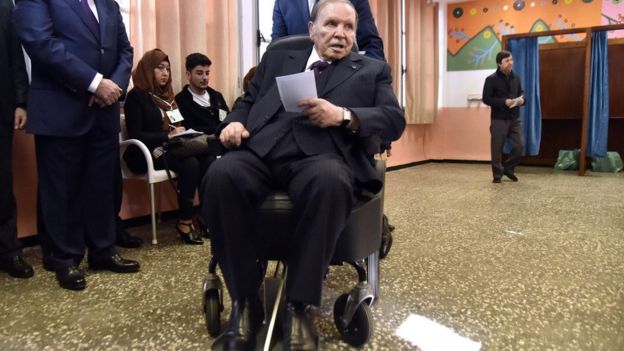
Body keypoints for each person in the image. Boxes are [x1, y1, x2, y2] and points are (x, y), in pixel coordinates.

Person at [202, 1, 405, 349]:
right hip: (262, 151)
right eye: (330, 25)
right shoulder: (278, 58)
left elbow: (393, 119)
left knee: (330, 181)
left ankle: (299, 307)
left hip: (323, 157)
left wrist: (343, 115)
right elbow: (248, 101)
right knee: (221, 174)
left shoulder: (371, 70)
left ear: (356, 34)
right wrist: (233, 121)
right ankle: (245, 304)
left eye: (348, 27)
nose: (340, 34)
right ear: (312, 29)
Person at [13, 0, 140, 291]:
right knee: (61, 188)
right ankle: (64, 258)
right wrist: (94, 83)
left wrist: (113, 86)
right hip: (61, 106)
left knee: (100, 185)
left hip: (103, 110)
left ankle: (103, 250)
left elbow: (125, 50)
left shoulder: (107, 3)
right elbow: (40, 43)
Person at [123, 49, 213, 245]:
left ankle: (206, 217)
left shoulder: (169, 98)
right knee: (190, 164)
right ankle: (185, 221)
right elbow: (136, 133)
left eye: (168, 69)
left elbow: (177, 125)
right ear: (148, 69)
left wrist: (181, 132)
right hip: (143, 152)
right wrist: (167, 135)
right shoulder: (136, 96)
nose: (165, 73)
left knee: (206, 159)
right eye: (159, 68)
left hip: (170, 147)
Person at [0, 0, 33, 279]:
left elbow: (15, 56)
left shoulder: (5, 6)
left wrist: (21, 102)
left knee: (1, 183)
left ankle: (9, 251)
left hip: (1, 108)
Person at [272, 0, 385, 61]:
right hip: (298, 79)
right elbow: (276, 49)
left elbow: (372, 45)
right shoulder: (283, 2)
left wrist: (366, 76)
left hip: (344, 79)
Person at [482, 50, 525, 183]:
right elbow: (486, 99)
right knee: (496, 149)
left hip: (514, 118)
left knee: (519, 146)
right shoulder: (491, 79)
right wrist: (503, 102)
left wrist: (523, 100)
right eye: (507, 61)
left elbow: (521, 93)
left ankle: (508, 169)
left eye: (511, 60)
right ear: (499, 64)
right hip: (499, 119)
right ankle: (497, 175)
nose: (510, 63)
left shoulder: (516, 77)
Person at [175, 53, 230, 135]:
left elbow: (226, 119)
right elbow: (185, 129)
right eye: (199, 73)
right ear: (188, 75)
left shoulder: (217, 96)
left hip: (223, 141)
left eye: (207, 73)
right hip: (198, 145)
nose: (205, 78)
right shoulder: (180, 100)